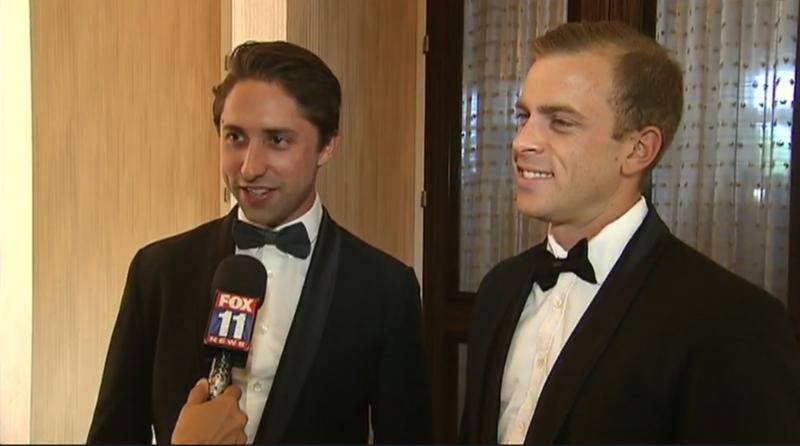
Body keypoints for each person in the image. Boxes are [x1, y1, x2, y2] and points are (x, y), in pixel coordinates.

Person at [460, 21, 800, 444]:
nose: (522, 141)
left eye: (560, 122)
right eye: (525, 117)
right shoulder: (499, 289)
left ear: (639, 150)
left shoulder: (733, 323)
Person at [87, 41, 432, 444]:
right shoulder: (158, 271)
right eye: (235, 137)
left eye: (277, 140)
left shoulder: (385, 289)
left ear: (328, 145)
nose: (249, 167)